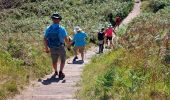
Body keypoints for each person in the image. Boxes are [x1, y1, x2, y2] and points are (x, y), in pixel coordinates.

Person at [44, 13, 70, 79]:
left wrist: (46, 48)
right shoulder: (62, 28)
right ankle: (60, 71)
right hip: (61, 46)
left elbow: (45, 39)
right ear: (59, 20)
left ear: (52, 19)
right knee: (63, 60)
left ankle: (55, 71)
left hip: (52, 47)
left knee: (54, 61)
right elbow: (66, 39)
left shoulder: (48, 28)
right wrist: (68, 45)